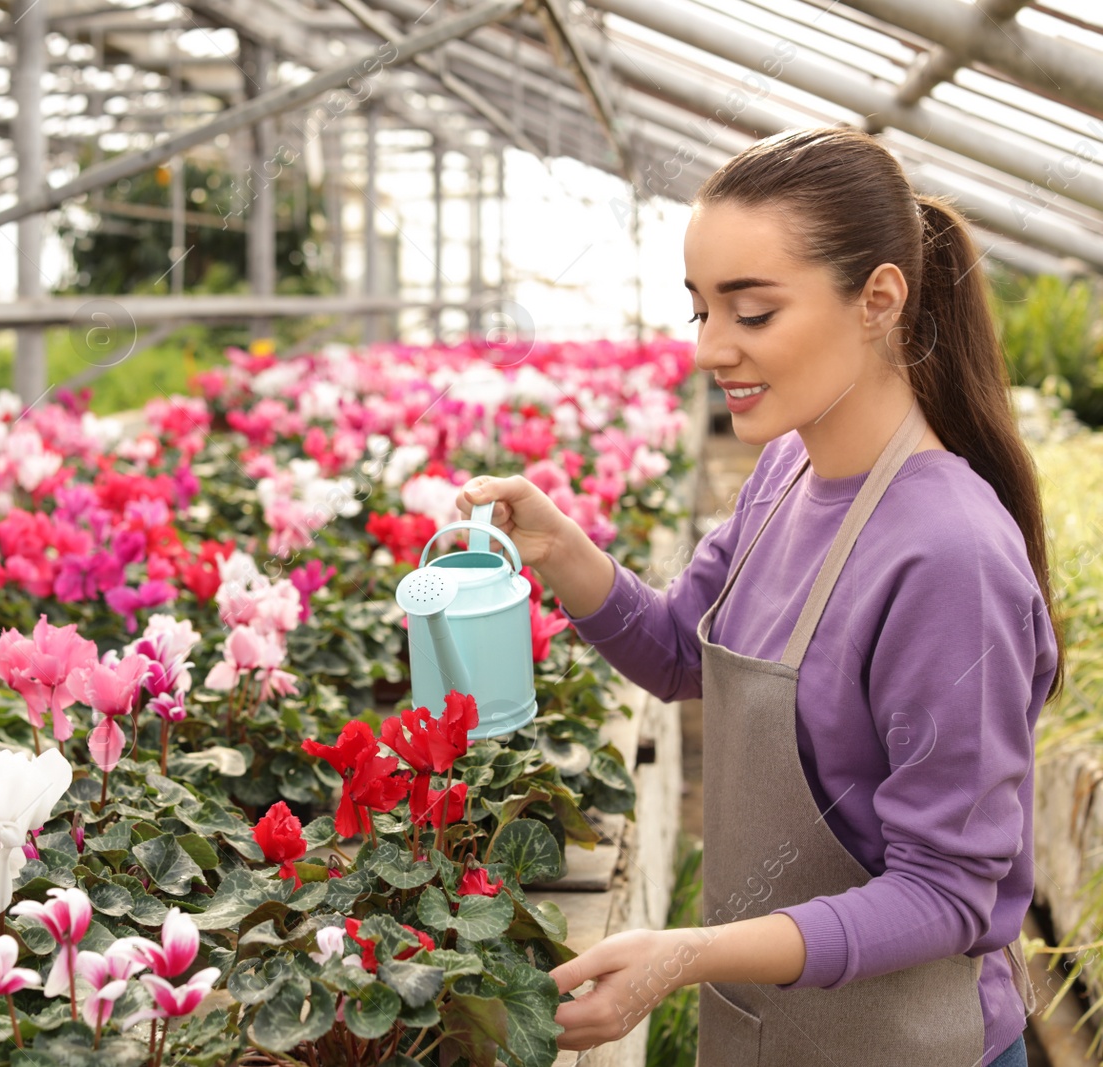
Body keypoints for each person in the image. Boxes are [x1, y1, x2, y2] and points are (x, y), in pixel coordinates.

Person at [455, 127, 1062, 1067]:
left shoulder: (948, 556)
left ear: (879, 301)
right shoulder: (785, 471)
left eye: (753, 313)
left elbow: (948, 892)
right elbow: (677, 652)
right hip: (769, 1033)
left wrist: (690, 954)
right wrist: (558, 548)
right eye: (699, 310)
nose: (709, 350)